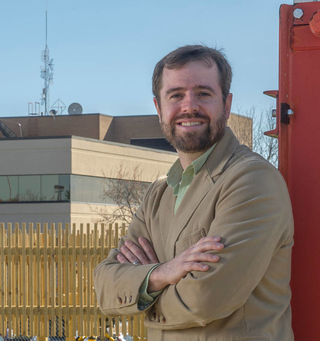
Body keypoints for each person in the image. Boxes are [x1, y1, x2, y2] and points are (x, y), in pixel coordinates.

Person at [94, 45, 294, 340]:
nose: (189, 107)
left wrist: (143, 292)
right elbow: (104, 286)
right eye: (175, 95)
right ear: (159, 108)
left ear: (226, 105)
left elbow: (205, 299)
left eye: (203, 93)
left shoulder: (252, 180)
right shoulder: (159, 193)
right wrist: (163, 273)